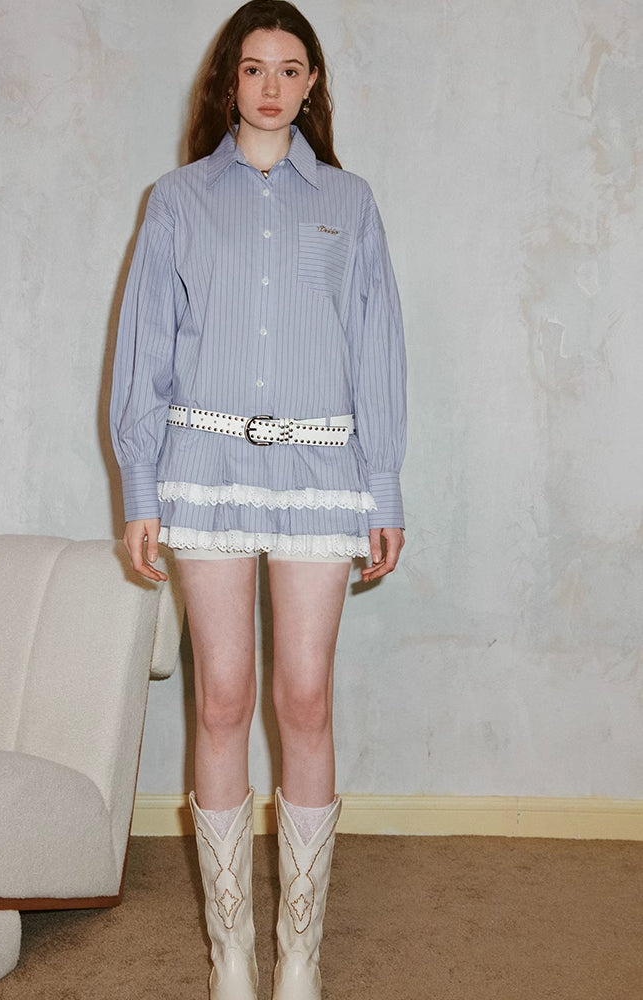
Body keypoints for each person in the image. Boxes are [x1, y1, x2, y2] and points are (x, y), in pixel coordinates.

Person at [110, 2, 406, 997]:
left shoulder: (351, 204)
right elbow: (147, 348)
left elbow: (377, 347)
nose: (271, 86)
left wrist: (384, 484)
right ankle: (232, 950)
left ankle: (300, 953)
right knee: (225, 696)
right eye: (253, 68)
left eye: (289, 68)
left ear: (312, 84)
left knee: (305, 696)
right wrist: (140, 485)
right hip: (204, 469)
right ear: (228, 82)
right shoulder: (178, 200)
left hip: (322, 473)